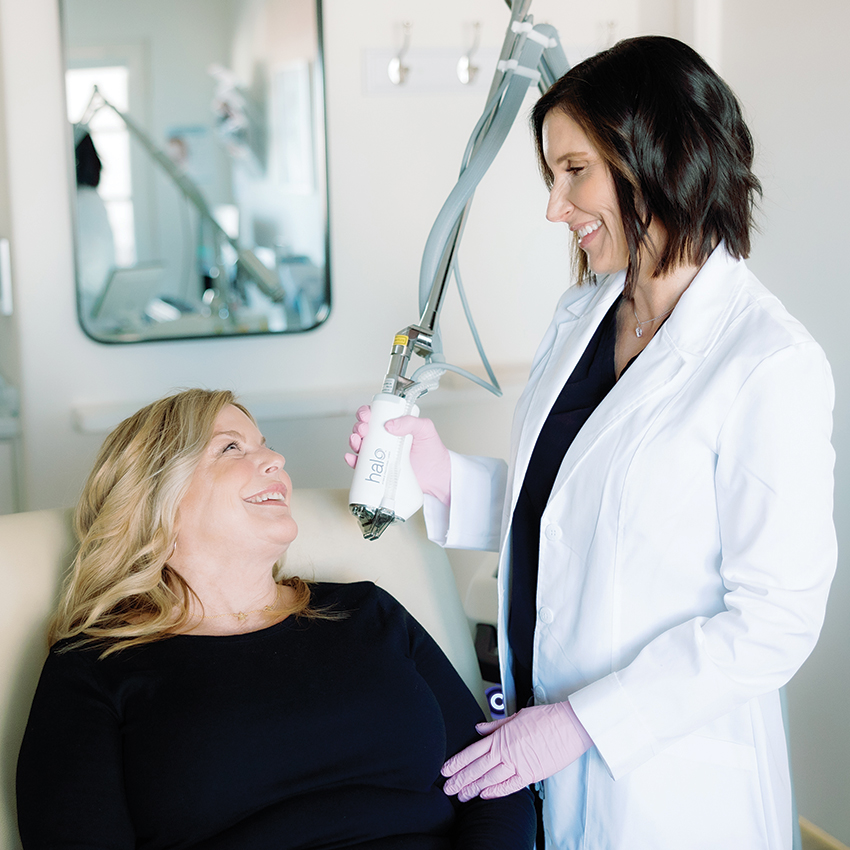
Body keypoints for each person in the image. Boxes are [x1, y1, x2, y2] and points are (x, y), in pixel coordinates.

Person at [345, 36, 836, 850]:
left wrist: (582, 724)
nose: (555, 207)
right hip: (545, 753)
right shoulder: (584, 316)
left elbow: (774, 621)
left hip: (670, 793)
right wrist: (442, 478)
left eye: (574, 171)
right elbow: (577, 512)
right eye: (552, 176)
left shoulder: (767, 361)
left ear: (659, 155)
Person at [16, 389, 535, 849]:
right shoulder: (95, 668)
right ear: (158, 500)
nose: (276, 459)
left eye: (264, 444)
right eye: (231, 448)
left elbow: (493, 782)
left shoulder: (366, 613)